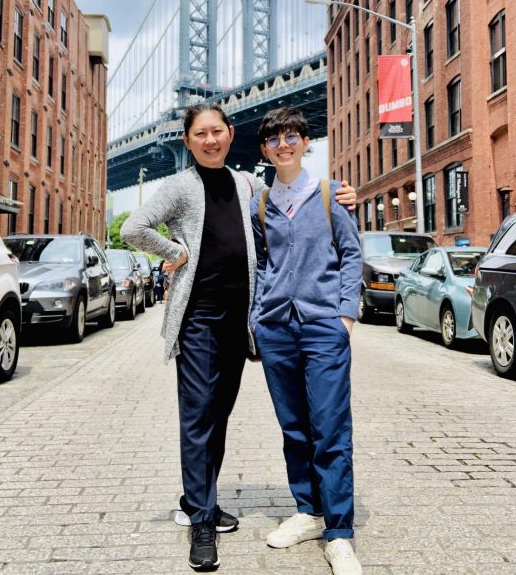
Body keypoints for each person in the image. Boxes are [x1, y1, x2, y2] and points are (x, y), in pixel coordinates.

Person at [120, 103, 357, 572]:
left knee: (223, 415)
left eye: (217, 132)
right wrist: (177, 252)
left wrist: (345, 193)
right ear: (186, 141)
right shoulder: (178, 186)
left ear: (231, 135)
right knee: (200, 418)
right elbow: (133, 228)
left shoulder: (251, 186)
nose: (210, 140)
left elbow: (306, 218)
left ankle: (219, 503)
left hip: (245, 323)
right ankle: (201, 520)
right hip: (202, 320)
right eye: (199, 134)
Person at [250, 107, 363, 575]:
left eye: (292, 136)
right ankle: (307, 510)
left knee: (330, 429)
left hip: (323, 327)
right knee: (294, 427)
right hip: (276, 328)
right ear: (264, 149)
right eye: (274, 138)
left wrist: (345, 317)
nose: (284, 144)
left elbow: (353, 254)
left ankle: (339, 532)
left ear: (306, 142)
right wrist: (258, 317)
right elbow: (261, 263)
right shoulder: (260, 202)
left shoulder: (331, 194)